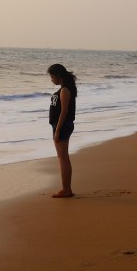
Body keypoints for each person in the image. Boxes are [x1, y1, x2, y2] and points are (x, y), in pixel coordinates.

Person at [47, 63, 77, 198]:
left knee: (63, 158)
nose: (51, 79)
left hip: (62, 126)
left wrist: (57, 130)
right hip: (62, 125)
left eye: (52, 77)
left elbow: (64, 111)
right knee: (63, 157)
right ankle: (67, 189)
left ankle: (66, 189)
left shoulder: (65, 90)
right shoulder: (65, 89)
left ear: (58, 76)